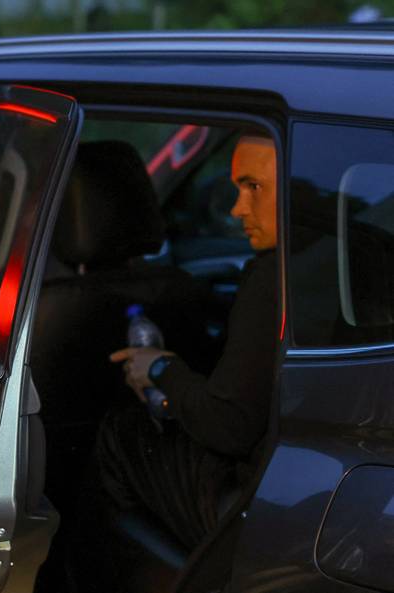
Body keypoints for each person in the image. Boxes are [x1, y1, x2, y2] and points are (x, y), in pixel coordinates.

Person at [98, 133, 278, 550]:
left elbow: (228, 425)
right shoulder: (350, 255)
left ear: (292, 186)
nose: (236, 209)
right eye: (237, 189)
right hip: (296, 480)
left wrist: (160, 369)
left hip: (250, 500)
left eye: (254, 187)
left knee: (122, 431)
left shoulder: (274, 278)